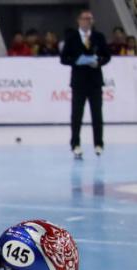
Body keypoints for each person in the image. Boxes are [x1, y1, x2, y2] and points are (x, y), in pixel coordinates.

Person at [60, 11, 111, 159]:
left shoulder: (99, 37)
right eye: (84, 19)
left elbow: (107, 56)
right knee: (77, 115)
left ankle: (99, 144)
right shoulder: (72, 38)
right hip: (79, 82)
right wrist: (76, 61)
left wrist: (99, 62)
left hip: (95, 82)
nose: (87, 21)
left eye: (89, 19)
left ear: (92, 21)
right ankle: (75, 144)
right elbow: (63, 59)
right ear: (78, 21)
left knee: (97, 114)